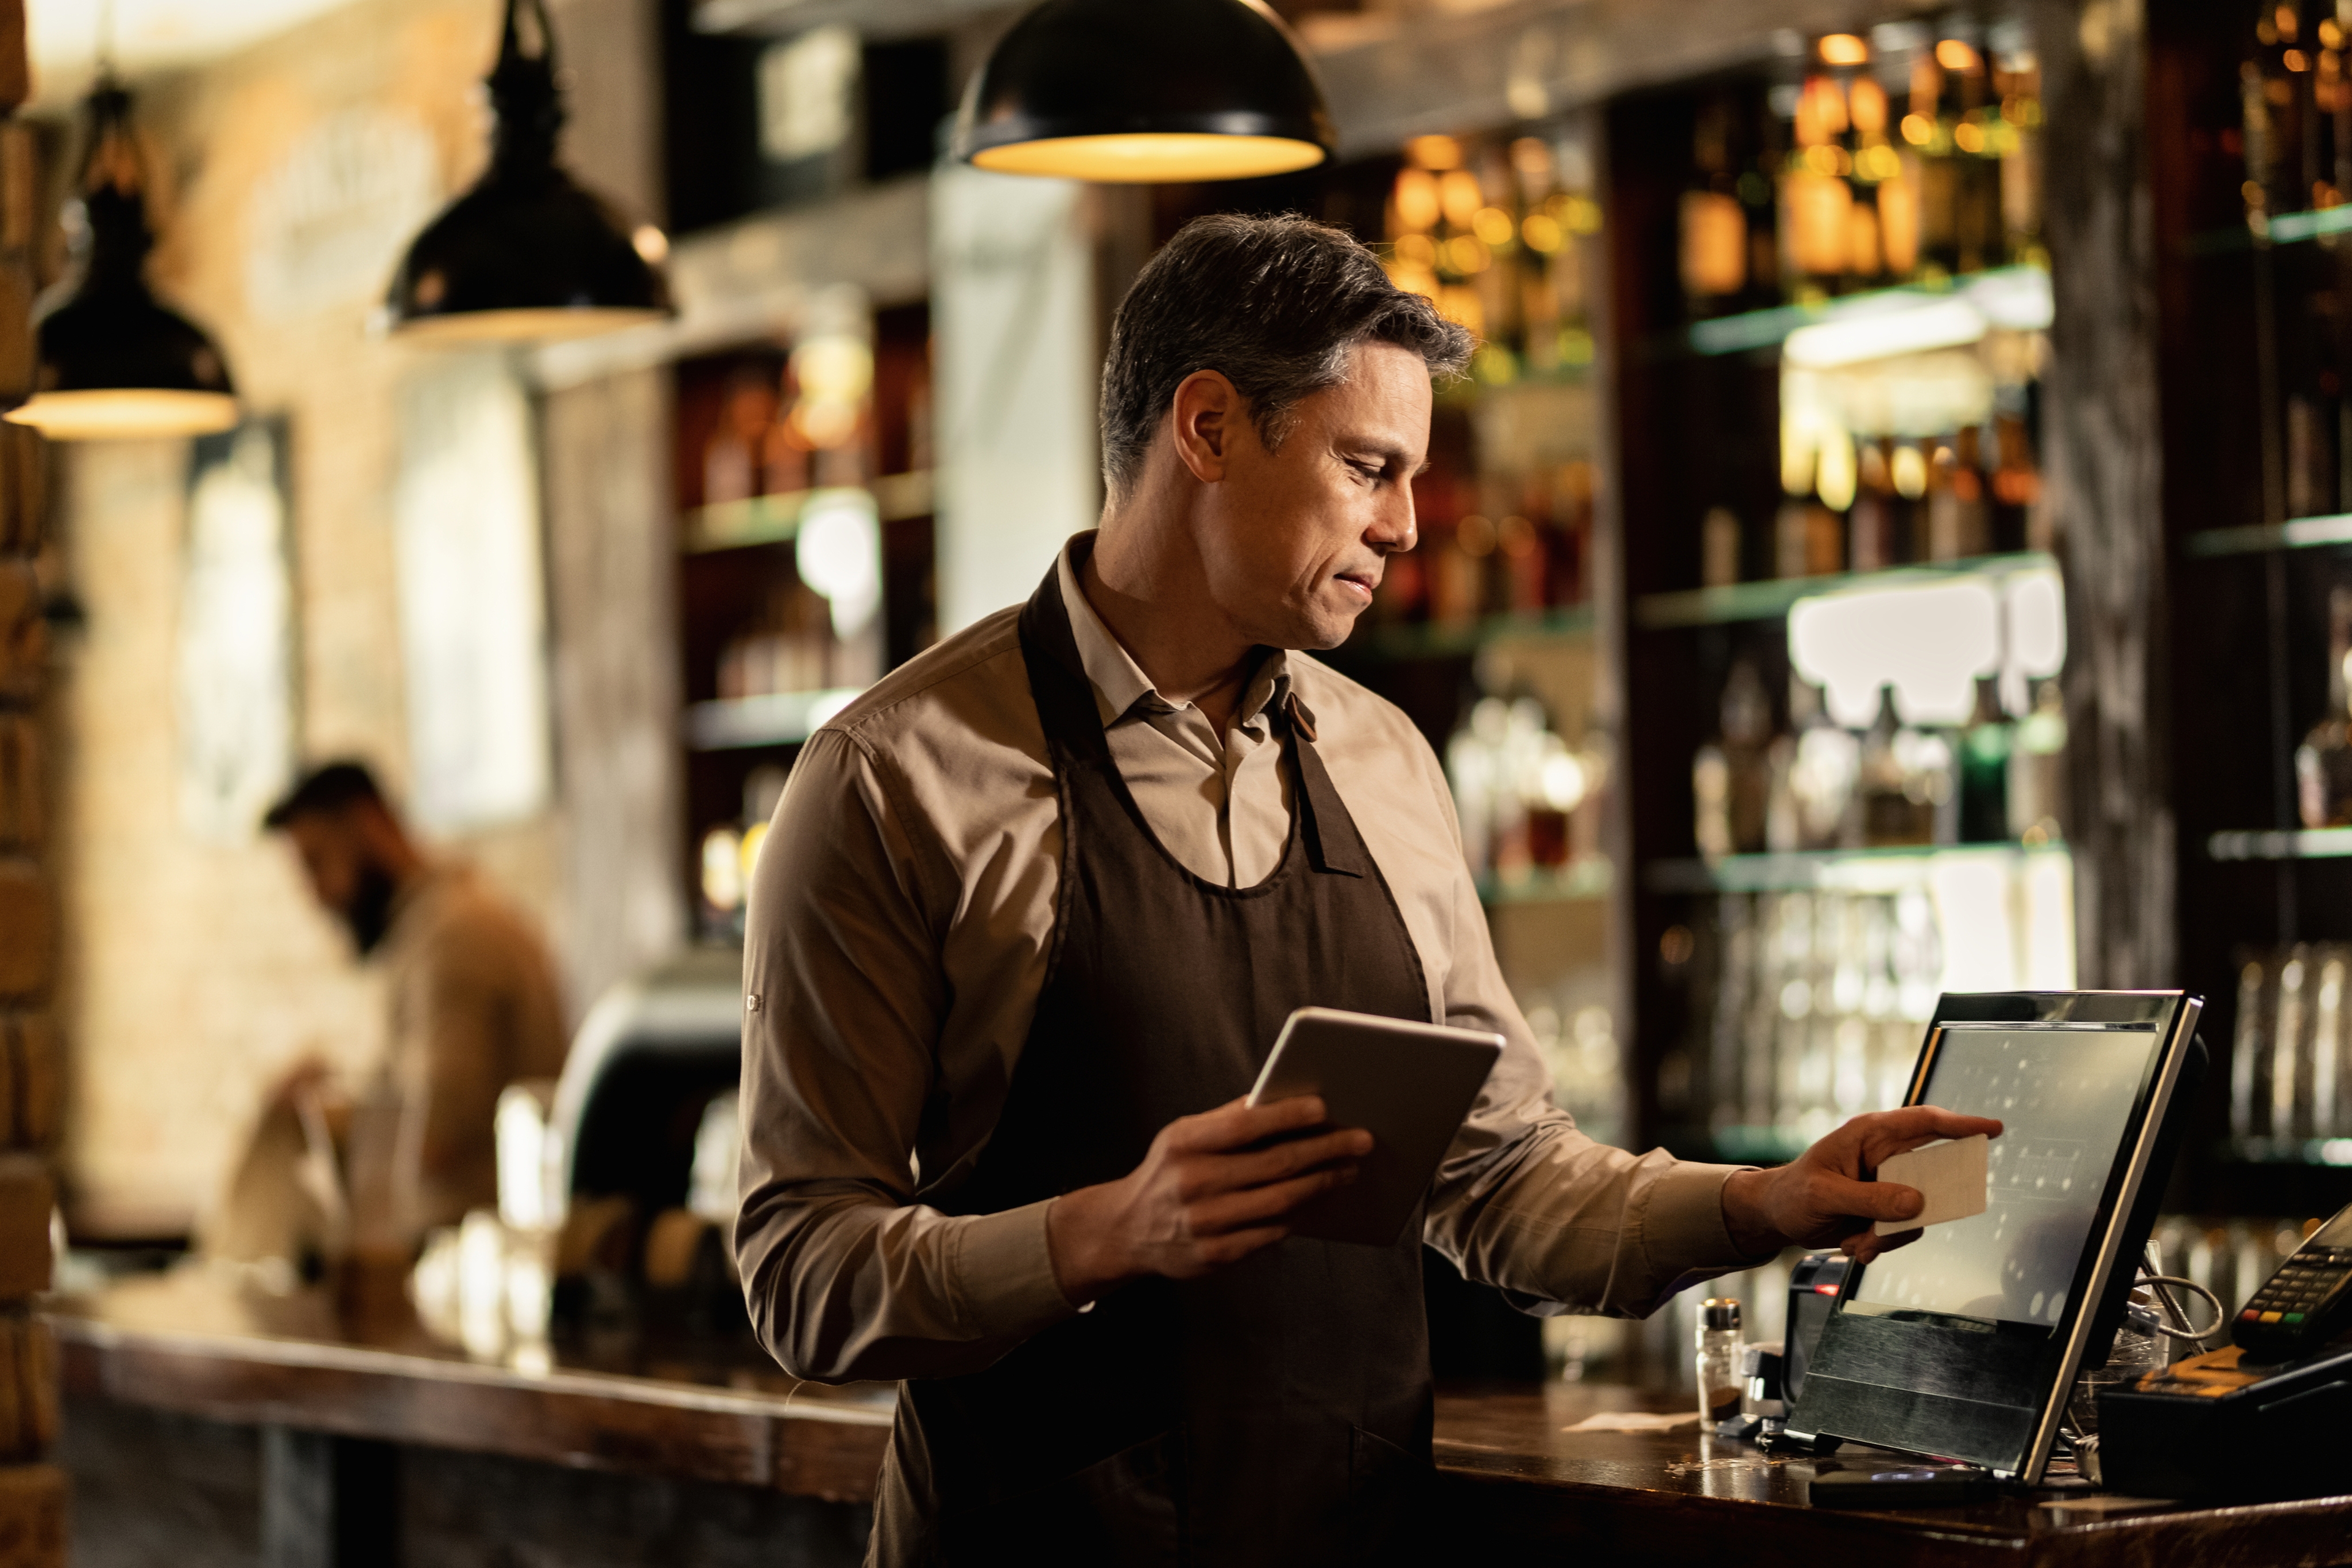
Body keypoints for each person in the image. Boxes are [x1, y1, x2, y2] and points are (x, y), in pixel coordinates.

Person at [734, 215, 1999, 1566]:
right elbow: (800, 1272)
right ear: (1209, 429)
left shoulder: (1385, 758)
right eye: (1366, 468)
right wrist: (1104, 1231)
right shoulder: (892, 778)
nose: (1405, 526)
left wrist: (1759, 1205)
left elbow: (1502, 1180)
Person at [209, 761, 567, 1270]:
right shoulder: (436, 930)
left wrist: (320, 1117)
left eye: (317, 862)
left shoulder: (453, 939)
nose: (315, 893)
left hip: (469, 1266)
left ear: (369, 826)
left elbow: (433, 1134)